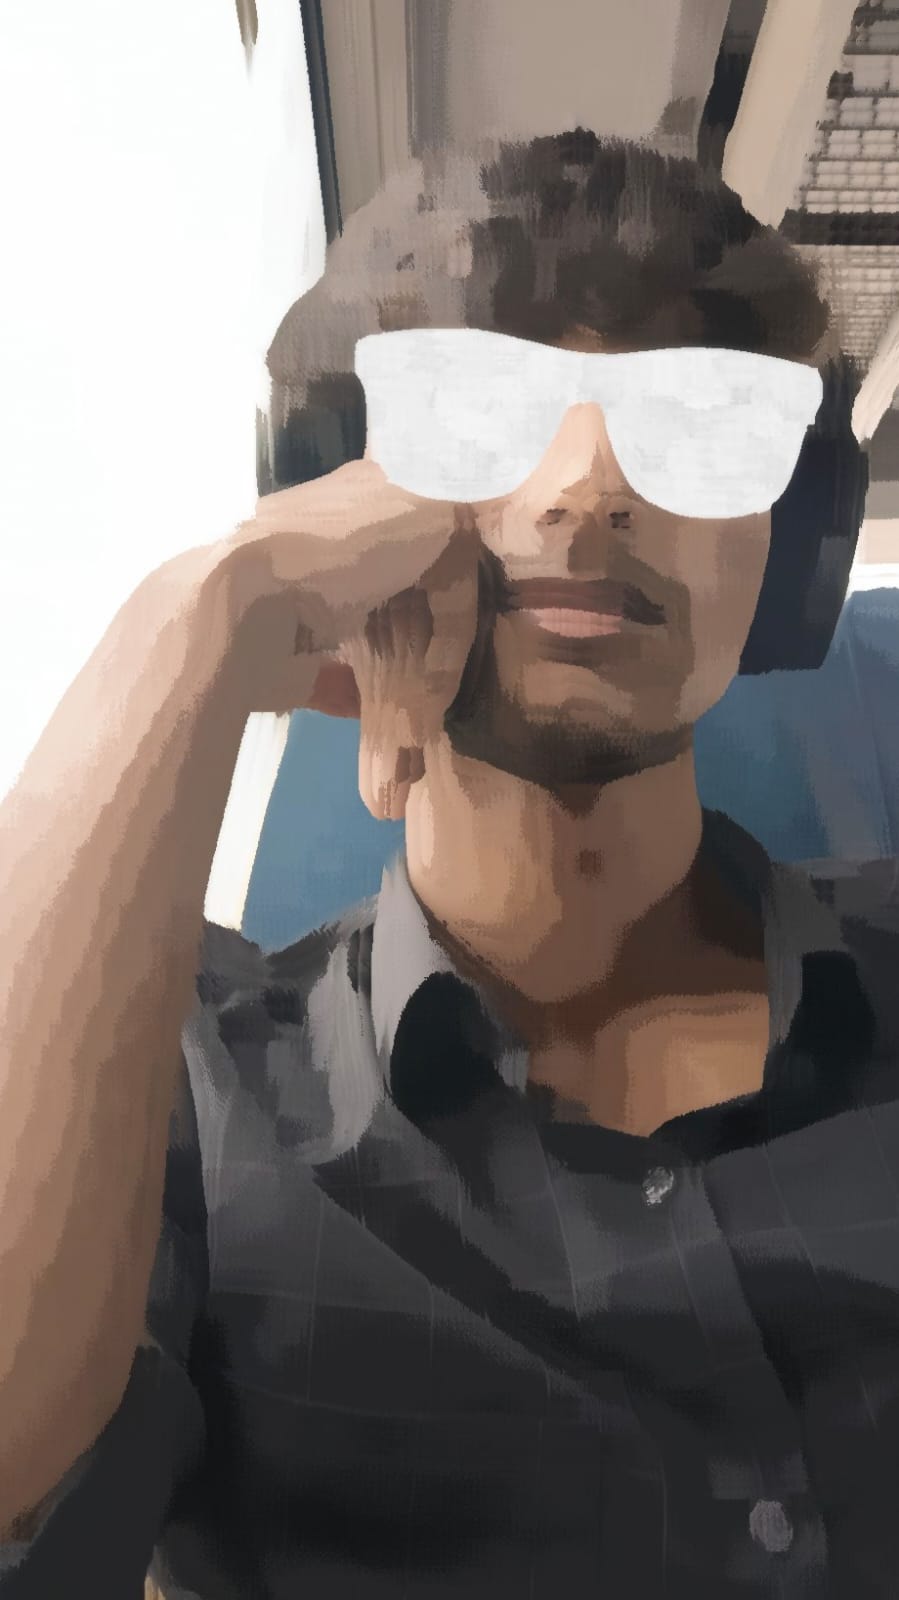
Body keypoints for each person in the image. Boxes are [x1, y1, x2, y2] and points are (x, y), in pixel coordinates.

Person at [0, 129, 890, 1598]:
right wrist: (206, 612)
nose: (591, 485)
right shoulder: (187, 1099)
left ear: (790, 550)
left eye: (700, 424)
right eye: (480, 417)